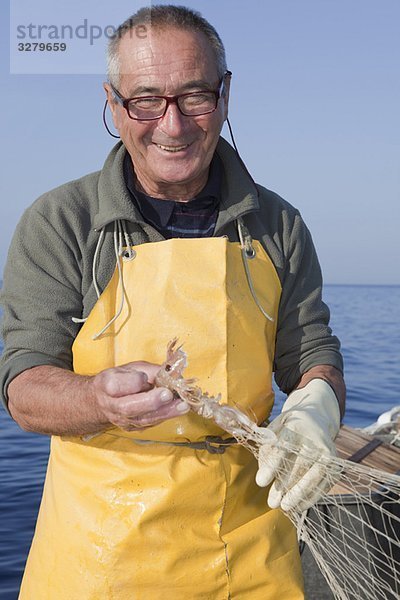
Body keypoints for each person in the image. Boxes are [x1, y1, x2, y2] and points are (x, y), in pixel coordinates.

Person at [0, 5, 345, 599]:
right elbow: (23, 388)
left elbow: (312, 352)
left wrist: (317, 405)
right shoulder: (62, 222)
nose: (173, 124)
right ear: (113, 103)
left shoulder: (279, 225)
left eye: (194, 97)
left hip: (252, 555)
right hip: (100, 561)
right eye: (146, 100)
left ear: (226, 95)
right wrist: (95, 399)